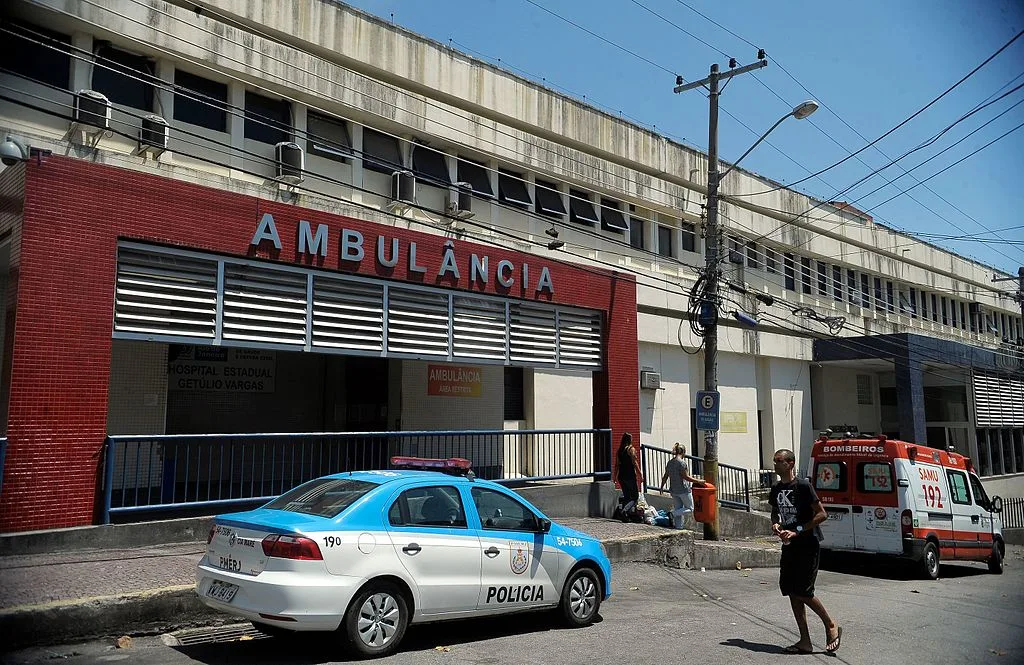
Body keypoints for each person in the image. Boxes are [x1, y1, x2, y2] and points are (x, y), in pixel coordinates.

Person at [768, 448, 842, 655]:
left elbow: (822, 514)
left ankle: (830, 624)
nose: (775, 464)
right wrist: (776, 525)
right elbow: (775, 512)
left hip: (808, 544)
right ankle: (805, 641)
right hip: (789, 546)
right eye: (774, 461)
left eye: (779, 461)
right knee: (792, 591)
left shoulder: (803, 485)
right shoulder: (776, 488)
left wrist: (797, 530)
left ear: (790, 463)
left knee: (804, 590)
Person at [659, 443, 704, 529]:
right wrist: (698, 481)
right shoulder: (682, 463)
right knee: (690, 508)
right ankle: (672, 514)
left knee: (678, 509)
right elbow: (685, 477)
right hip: (683, 490)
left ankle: (678, 527)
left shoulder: (670, 462)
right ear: (683, 452)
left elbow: (665, 476)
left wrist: (661, 487)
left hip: (673, 489)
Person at [614, 432, 642, 507]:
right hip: (630, 475)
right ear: (629, 440)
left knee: (627, 496)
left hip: (621, 476)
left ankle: (625, 513)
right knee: (635, 496)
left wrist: (614, 477)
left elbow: (616, 465)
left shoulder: (619, 451)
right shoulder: (631, 449)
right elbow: (635, 463)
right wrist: (640, 474)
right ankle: (625, 511)